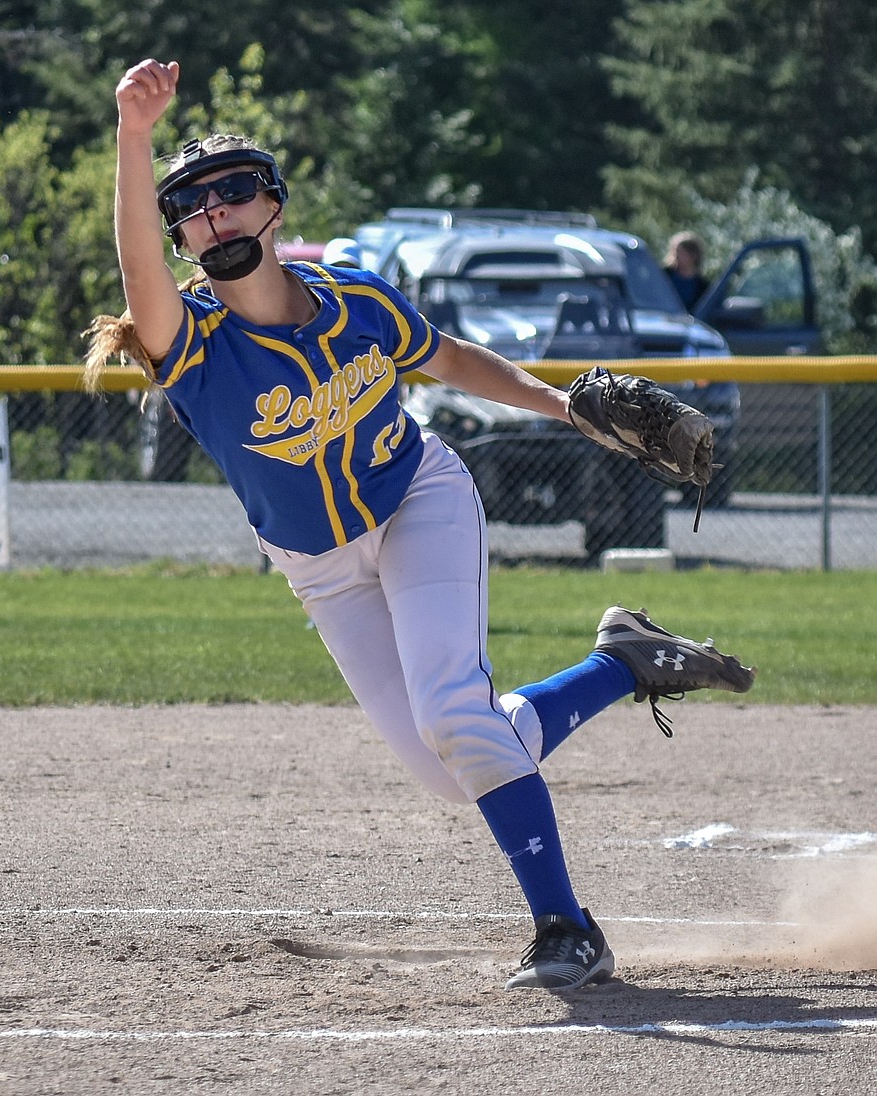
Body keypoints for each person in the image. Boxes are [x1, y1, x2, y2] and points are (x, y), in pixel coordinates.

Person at [84, 59, 756, 991]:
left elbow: (450, 360)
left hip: (417, 505)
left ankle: (567, 928)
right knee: (458, 767)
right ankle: (623, 664)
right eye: (192, 206)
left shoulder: (356, 299)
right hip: (320, 568)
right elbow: (135, 264)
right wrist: (132, 132)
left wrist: (563, 408)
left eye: (234, 192)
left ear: (273, 205)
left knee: (456, 717)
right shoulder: (191, 340)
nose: (215, 214)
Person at [663, 231, 710, 313]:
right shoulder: (664, 275)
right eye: (675, 252)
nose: (676, 256)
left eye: (680, 253)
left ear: (693, 256)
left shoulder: (703, 287)